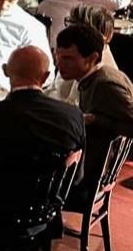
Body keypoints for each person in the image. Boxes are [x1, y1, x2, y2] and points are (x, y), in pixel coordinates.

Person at [0, 45, 84, 171]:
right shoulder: (73, 116)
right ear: (45, 77)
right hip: (48, 191)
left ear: (5, 70)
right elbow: (77, 176)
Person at [54, 24, 133, 191]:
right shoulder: (91, 78)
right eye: (58, 56)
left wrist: (97, 119)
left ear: (91, 58)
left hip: (89, 176)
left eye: (68, 58)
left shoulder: (106, 84)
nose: (59, 64)